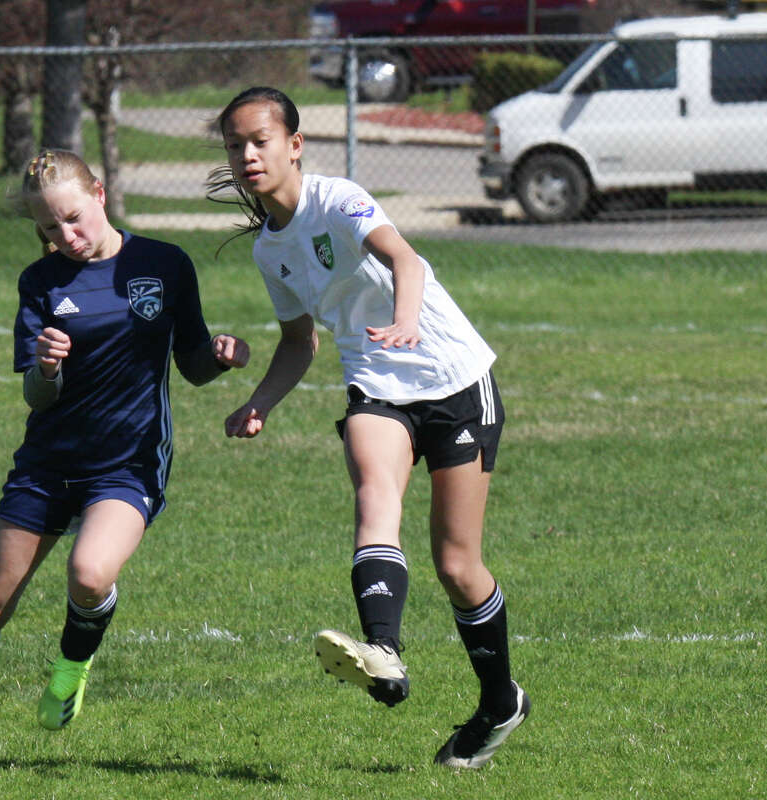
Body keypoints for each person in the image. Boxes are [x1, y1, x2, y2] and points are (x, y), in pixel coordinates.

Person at [209, 86, 528, 770]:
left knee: (457, 565)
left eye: (260, 140)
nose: (247, 155)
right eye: (235, 144)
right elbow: (301, 344)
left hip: (454, 380)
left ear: (295, 145)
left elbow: (405, 259)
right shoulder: (270, 250)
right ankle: (383, 651)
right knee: (374, 496)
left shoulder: (338, 198)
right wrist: (262, 401)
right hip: (377, 383)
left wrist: (408, 318)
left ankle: (501, 703)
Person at [0, 149, 250, 770]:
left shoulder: (164, 264)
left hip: (129, 462)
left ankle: (72, 667)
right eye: (48, 228)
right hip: (47, 464)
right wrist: (47, 366)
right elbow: (37, 395)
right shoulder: (40, 283)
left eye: (72, 219)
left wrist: (225, 355)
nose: (64, 237)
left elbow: (194, 364)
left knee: (90, 574)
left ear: (100, 194)